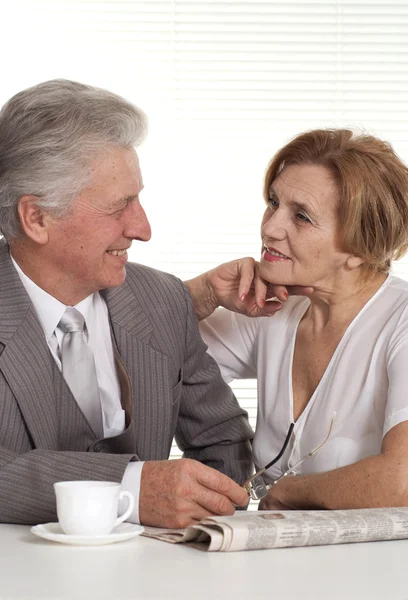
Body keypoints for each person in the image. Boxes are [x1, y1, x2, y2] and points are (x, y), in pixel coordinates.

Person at [0, 79, 253, 527]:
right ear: (36, 217)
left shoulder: (164, 299)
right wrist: (129, 490)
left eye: (138, 198)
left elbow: (222, 442)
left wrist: (207, 525)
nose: (143, 228)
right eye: (121, 206)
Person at [185, 128, 408, 510]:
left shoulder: (399, 323)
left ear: (358, 245)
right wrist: (202, 294)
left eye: (301, 216)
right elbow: (149, 350)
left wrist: (288, 491)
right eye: (273, 202)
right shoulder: (271, 307)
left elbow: (401, 482)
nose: (270, 227)